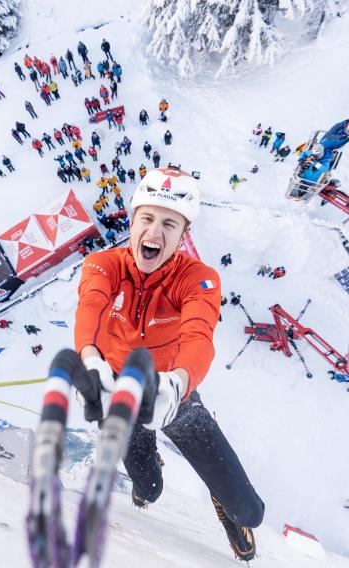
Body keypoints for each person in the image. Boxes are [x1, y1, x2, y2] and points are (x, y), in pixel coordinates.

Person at [74, 167, 263, 562]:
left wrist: (176, 384)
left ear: (182, 236)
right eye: (147, 218)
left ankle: (225, 503)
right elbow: (90, 306)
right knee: (149, 489)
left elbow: (198, 335)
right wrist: (90, 361)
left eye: (169, 224)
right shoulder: (103, 265)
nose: (154, 233)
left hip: (173, 395)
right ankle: (150, 462)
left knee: (250, 512)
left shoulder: (197, 279)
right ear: (132, 220)